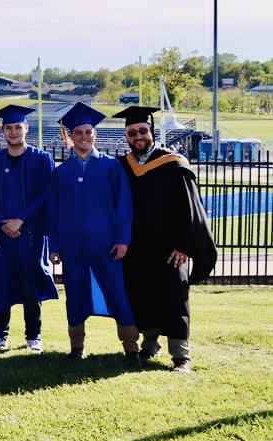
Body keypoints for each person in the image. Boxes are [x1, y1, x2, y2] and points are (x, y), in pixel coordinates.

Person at [114, 105, 217, 373]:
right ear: (126, 136)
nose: (138, 136)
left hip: (170, 248)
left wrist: (184, 245)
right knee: (141, 295)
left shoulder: (173, 163)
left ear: (151, 131)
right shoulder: (123, 166)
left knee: (174, 298)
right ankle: (150, 344)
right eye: (132, 132)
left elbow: (191, 208)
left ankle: (181, 356)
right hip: (136, 248)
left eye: (142, 130)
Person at [46, 102, 139, 365]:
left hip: (107, 245)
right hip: (73, 246)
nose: (84, 137)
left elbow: (124, 207)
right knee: (74, 295)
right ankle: (77, 347)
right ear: (70, 136)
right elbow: (52, 212)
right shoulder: (61, 172)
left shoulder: (111, 168)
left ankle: (131, 348)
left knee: (117, 293)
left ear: (95, 134)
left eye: (88, 132)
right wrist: (54, 245)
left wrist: (122, 240)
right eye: (78, 133)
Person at [0, 105, 57, 354]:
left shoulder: (42, 159)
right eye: (8, 127)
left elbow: (46, 194)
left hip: (30, 234)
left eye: (18, 127)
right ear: (2, 130)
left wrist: (21, 219)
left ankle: (34, 336)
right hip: (2, 236)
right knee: (1, 283)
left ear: (26, 128)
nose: (13, 132)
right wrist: (3, 221)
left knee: (30, 283)